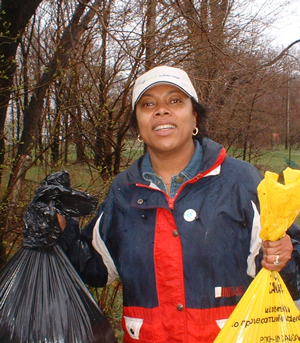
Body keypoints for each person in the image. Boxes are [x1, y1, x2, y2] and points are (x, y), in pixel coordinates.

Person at [58, 65, 300, 343]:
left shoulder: (240, 181)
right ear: (138, 125)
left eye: (175, 101)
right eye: (148, 104)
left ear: (194, 115)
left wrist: (284, 257)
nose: (161, 111)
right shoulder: (124, 189)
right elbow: (98, 268)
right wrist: (61, 227)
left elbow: (292, 267)